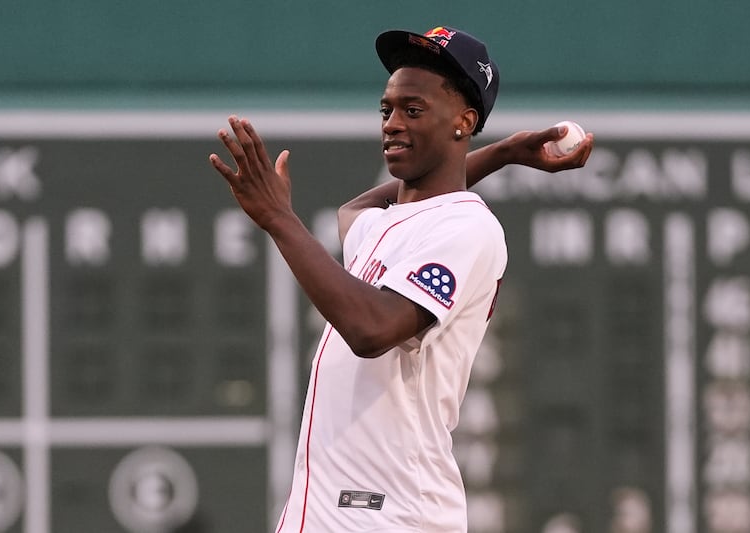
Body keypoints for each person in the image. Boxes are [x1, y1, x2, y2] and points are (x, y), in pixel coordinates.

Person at [210, 25, 593, 533]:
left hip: (390, 514)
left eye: (413, 111)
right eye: (386, 110)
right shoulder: (386, 224)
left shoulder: (468, 227)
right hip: (336, 510)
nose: (391, 123)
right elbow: (357, 210)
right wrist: (499, 153)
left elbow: (373, 330)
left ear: (464, 121)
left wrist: (281, 219)